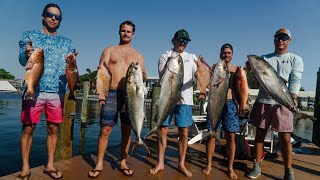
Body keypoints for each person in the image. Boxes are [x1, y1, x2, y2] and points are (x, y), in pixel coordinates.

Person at [17, 3, 76, 180]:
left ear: (60, 21)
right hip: (33, 88)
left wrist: (72, 61)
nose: (53, 19)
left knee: (53, 128)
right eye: (50, 15)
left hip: (57, 92)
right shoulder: (30, 36)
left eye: (57, 17)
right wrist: (26, 52)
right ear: (43, 16)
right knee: (28, 128)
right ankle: (25, 168)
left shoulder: (67, 42)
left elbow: (72, 68)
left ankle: (50, 165)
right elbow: (21, 60)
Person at [88, 21, 146, 178]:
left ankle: (123, 162)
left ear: (133, 34)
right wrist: (101, 94)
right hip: (112, 93)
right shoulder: (109, 50)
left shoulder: (139, 55)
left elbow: (144, 77)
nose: (126, 33)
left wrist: (140, 74)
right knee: (105, 129)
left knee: (127, 131)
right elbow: (101, 73)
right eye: (123, 31)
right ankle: (99, 164)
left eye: (129, 31)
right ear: (119, 32)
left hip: (131, 96)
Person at [245, 28, 303, 180]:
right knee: (259, 135)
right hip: (263, 100)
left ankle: (289, 171)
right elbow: (260, 79)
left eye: (284, 38)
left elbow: (295, 80)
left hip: (284, 103)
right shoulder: (264, 58)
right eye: (278, 37)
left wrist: (294, 98)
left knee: (285, 138)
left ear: (289, 40)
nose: (280, 40)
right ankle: (257, 166)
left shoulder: (295, 59)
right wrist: (251, 69)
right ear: (274, 40)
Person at [149, 29, 198, 177]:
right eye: (180, 40)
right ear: (174, 40)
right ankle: (161, 162)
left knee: (183, 132)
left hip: (185, 100)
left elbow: (198, 76)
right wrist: (171, 62)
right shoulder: (165, 55)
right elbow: (163, 76)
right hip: (167, 98)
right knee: (163, 130)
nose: (182, 43)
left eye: (185, 41)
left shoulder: (192, 57)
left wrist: (203, 70)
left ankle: (181, 163)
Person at [202, 43, 242, 179]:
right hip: (215, 103)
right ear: (220, 54)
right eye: (224, 53)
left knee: (231, 137)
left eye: (229, 53)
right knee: (212, 134)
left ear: (232, 55)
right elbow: (206, 83)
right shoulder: (215, 67)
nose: (226, 55)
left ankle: (230, 167)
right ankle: (209, 164)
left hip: (230, 105)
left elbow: (241, 89)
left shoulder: (237, 69)